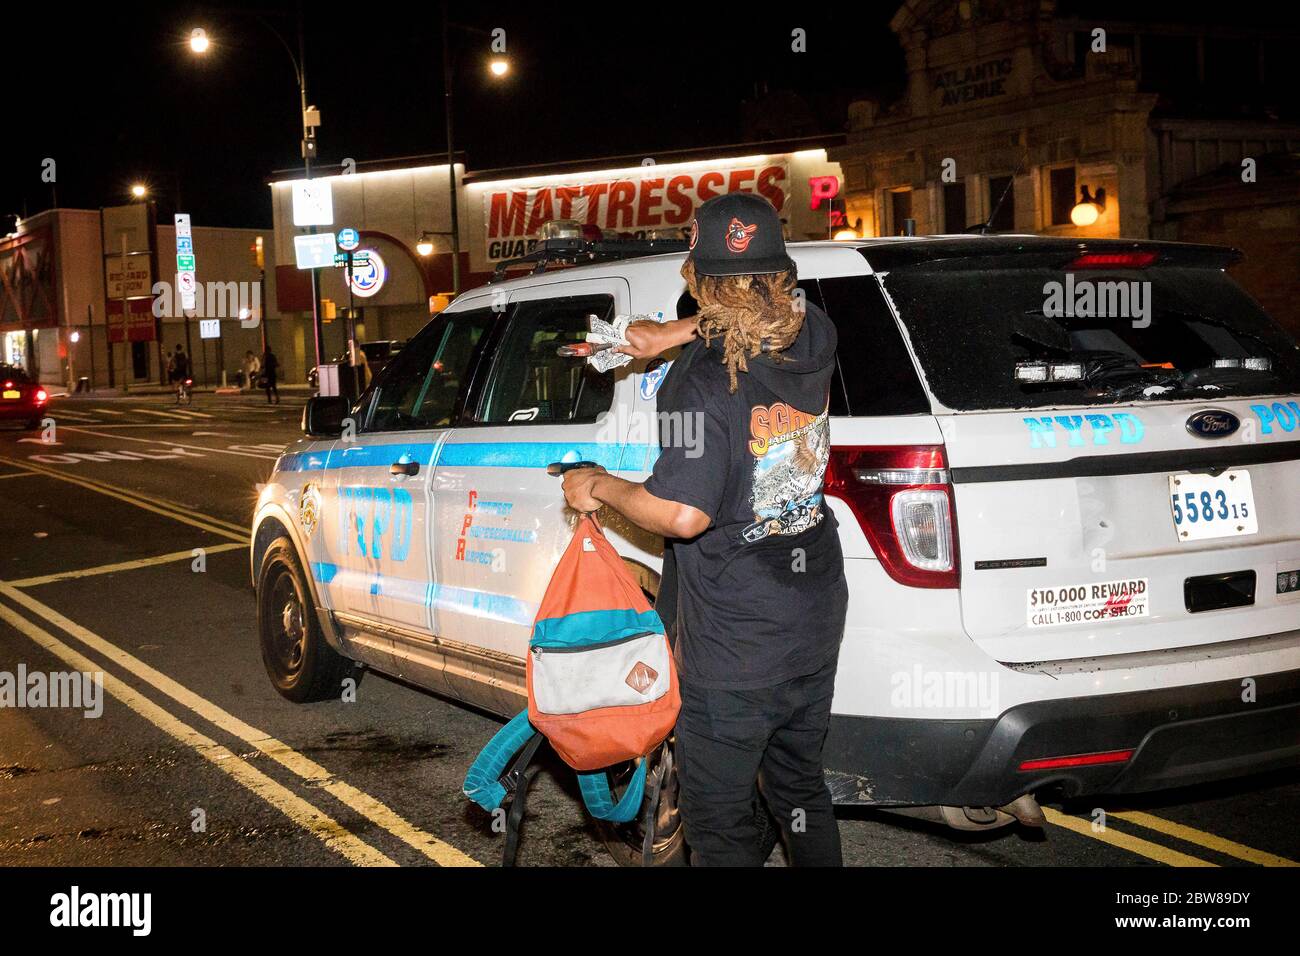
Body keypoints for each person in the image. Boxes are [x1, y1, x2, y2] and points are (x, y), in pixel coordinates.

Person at [562, 193, 848, 866]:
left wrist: (599, 483)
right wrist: (672, 332)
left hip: (736, 639)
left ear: (700, 273)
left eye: (692, 244)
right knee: (799, 788)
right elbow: (760, 315)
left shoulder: (701, 384)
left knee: (718, 825)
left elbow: (684, 514)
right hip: (812, 614)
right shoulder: (815, 333)